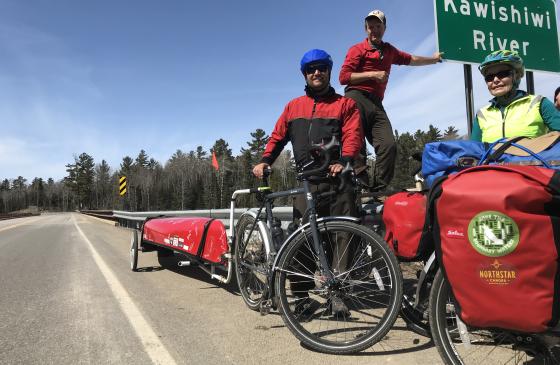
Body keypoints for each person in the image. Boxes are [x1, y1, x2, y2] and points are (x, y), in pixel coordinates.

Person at [253, 49, 363, 316]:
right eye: (312, 69)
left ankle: (338, 296)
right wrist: (265, 159)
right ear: (305, 74)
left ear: (329, 71)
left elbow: (353, 135)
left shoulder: (344, 104)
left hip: (339, 181)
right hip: (307, 183)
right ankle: (301, 296)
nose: (317, 73)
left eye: (322, 68)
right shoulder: (294, 106)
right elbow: (278, 136)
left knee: (343, 239)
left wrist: (345, 160)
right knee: (300, 240)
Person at [339, 9, 442, 189]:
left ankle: (378, 189)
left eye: (378, 26)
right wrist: (373, 74)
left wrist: (433, 60)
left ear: (384, 28)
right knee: (356, 141)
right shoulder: (357, 49)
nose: (374, 30)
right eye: (370, 27)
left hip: (376, 102)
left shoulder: (389, 51)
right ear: (366, 30)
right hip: (355, 97)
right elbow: (344, 77)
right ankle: (360, 186)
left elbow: (412, 59)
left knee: (388, 145)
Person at [471, 50, 560, 142]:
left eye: (502, 74)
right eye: (489, 77)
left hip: (531, 156)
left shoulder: (539, 103)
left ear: (516, 76)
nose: (495, 80)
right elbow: (473, 151)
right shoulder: (482, 115)